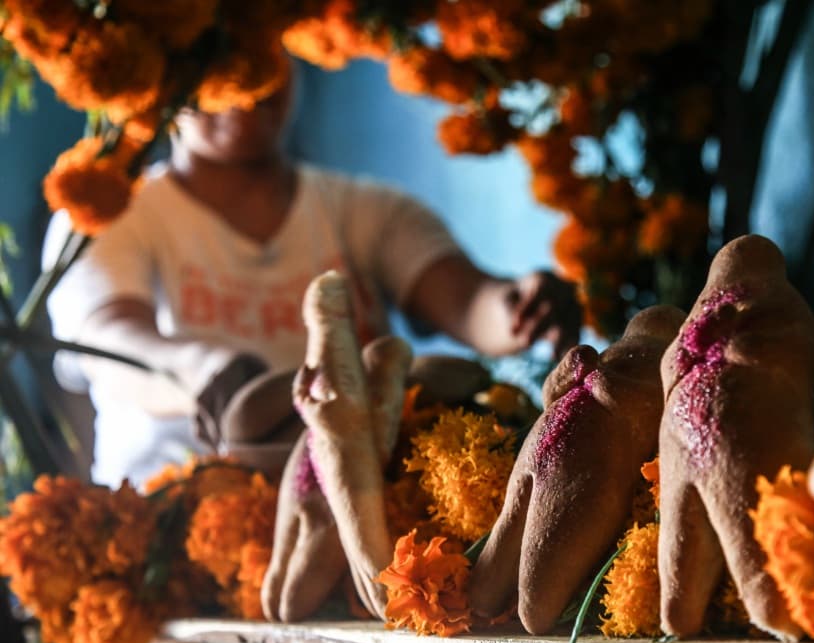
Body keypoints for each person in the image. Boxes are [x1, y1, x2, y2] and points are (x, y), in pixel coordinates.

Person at [43, 75, 581, 488]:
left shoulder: (366, 209)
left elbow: (467, 302)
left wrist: (517, 309)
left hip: (364, 523)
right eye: (218, 63)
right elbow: (106, 343)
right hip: (173, 533)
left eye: (257, 56)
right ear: (169, 77)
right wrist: (202, 369)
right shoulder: (112, 211)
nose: (245, 85)